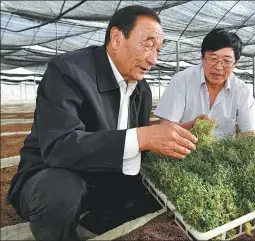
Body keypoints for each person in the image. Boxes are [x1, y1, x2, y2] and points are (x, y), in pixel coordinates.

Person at [6, 6, 197, 241]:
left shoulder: (142, 90)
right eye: (148, 44)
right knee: (61, 191)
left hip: (104, 181)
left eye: (158, 49)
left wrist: (173, 134)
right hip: (49, 178)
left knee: (157, 191)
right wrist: (143, 137)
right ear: (117, 38)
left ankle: (91, 225)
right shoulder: (68, 71)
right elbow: (59, 146)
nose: (154, 59)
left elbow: (136, 146)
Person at [154, 29, 255, 137]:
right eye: (213, 58)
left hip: (224, 153)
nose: (218, 67)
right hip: (184, 150)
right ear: (202, 58)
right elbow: (166, 126)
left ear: (235, 64)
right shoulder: (181, 81)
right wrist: (192, 126)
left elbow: (249, 132)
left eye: (227, 61)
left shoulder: (242, 91)